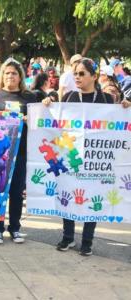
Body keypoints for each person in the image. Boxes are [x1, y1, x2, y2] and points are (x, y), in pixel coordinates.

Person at [43, 58, 131, 256]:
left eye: (82, 73)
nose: (77, 77)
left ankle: (87, 241)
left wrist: (126, 107)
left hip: (96, 161)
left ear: (94, 76)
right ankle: (67, 237)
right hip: (72, 157)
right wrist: (47, 103)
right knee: (68, 193)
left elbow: (118, 126)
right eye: (75, 74)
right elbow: (54, 122)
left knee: (93, 195)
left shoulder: (107, 100)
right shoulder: (69, 97)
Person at [0, 58, 37, 244]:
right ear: (1, 75)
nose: (10, 76)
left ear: (20, 76)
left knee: (16, 191)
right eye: (7, 73)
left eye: (14, 73)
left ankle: (15, 228)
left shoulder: (28, 97)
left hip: (20, 153)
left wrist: (30, 118)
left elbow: (40, 119)